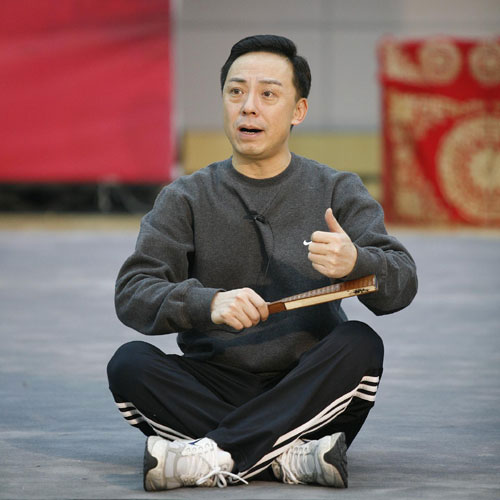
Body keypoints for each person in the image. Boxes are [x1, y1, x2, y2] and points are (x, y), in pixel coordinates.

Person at [107, 34, 417, 492]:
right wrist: (208, 303)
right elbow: (133, 292)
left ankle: (210, 454)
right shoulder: (185, 197)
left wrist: (357, 260)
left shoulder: (336, 189)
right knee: (129, 364)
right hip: (213, 382)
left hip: (312, 385)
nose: (248, 107)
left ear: (298, 111)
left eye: (268, 94)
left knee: (360, 343)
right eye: (236, 92)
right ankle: (290, 456)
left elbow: (402, 282)